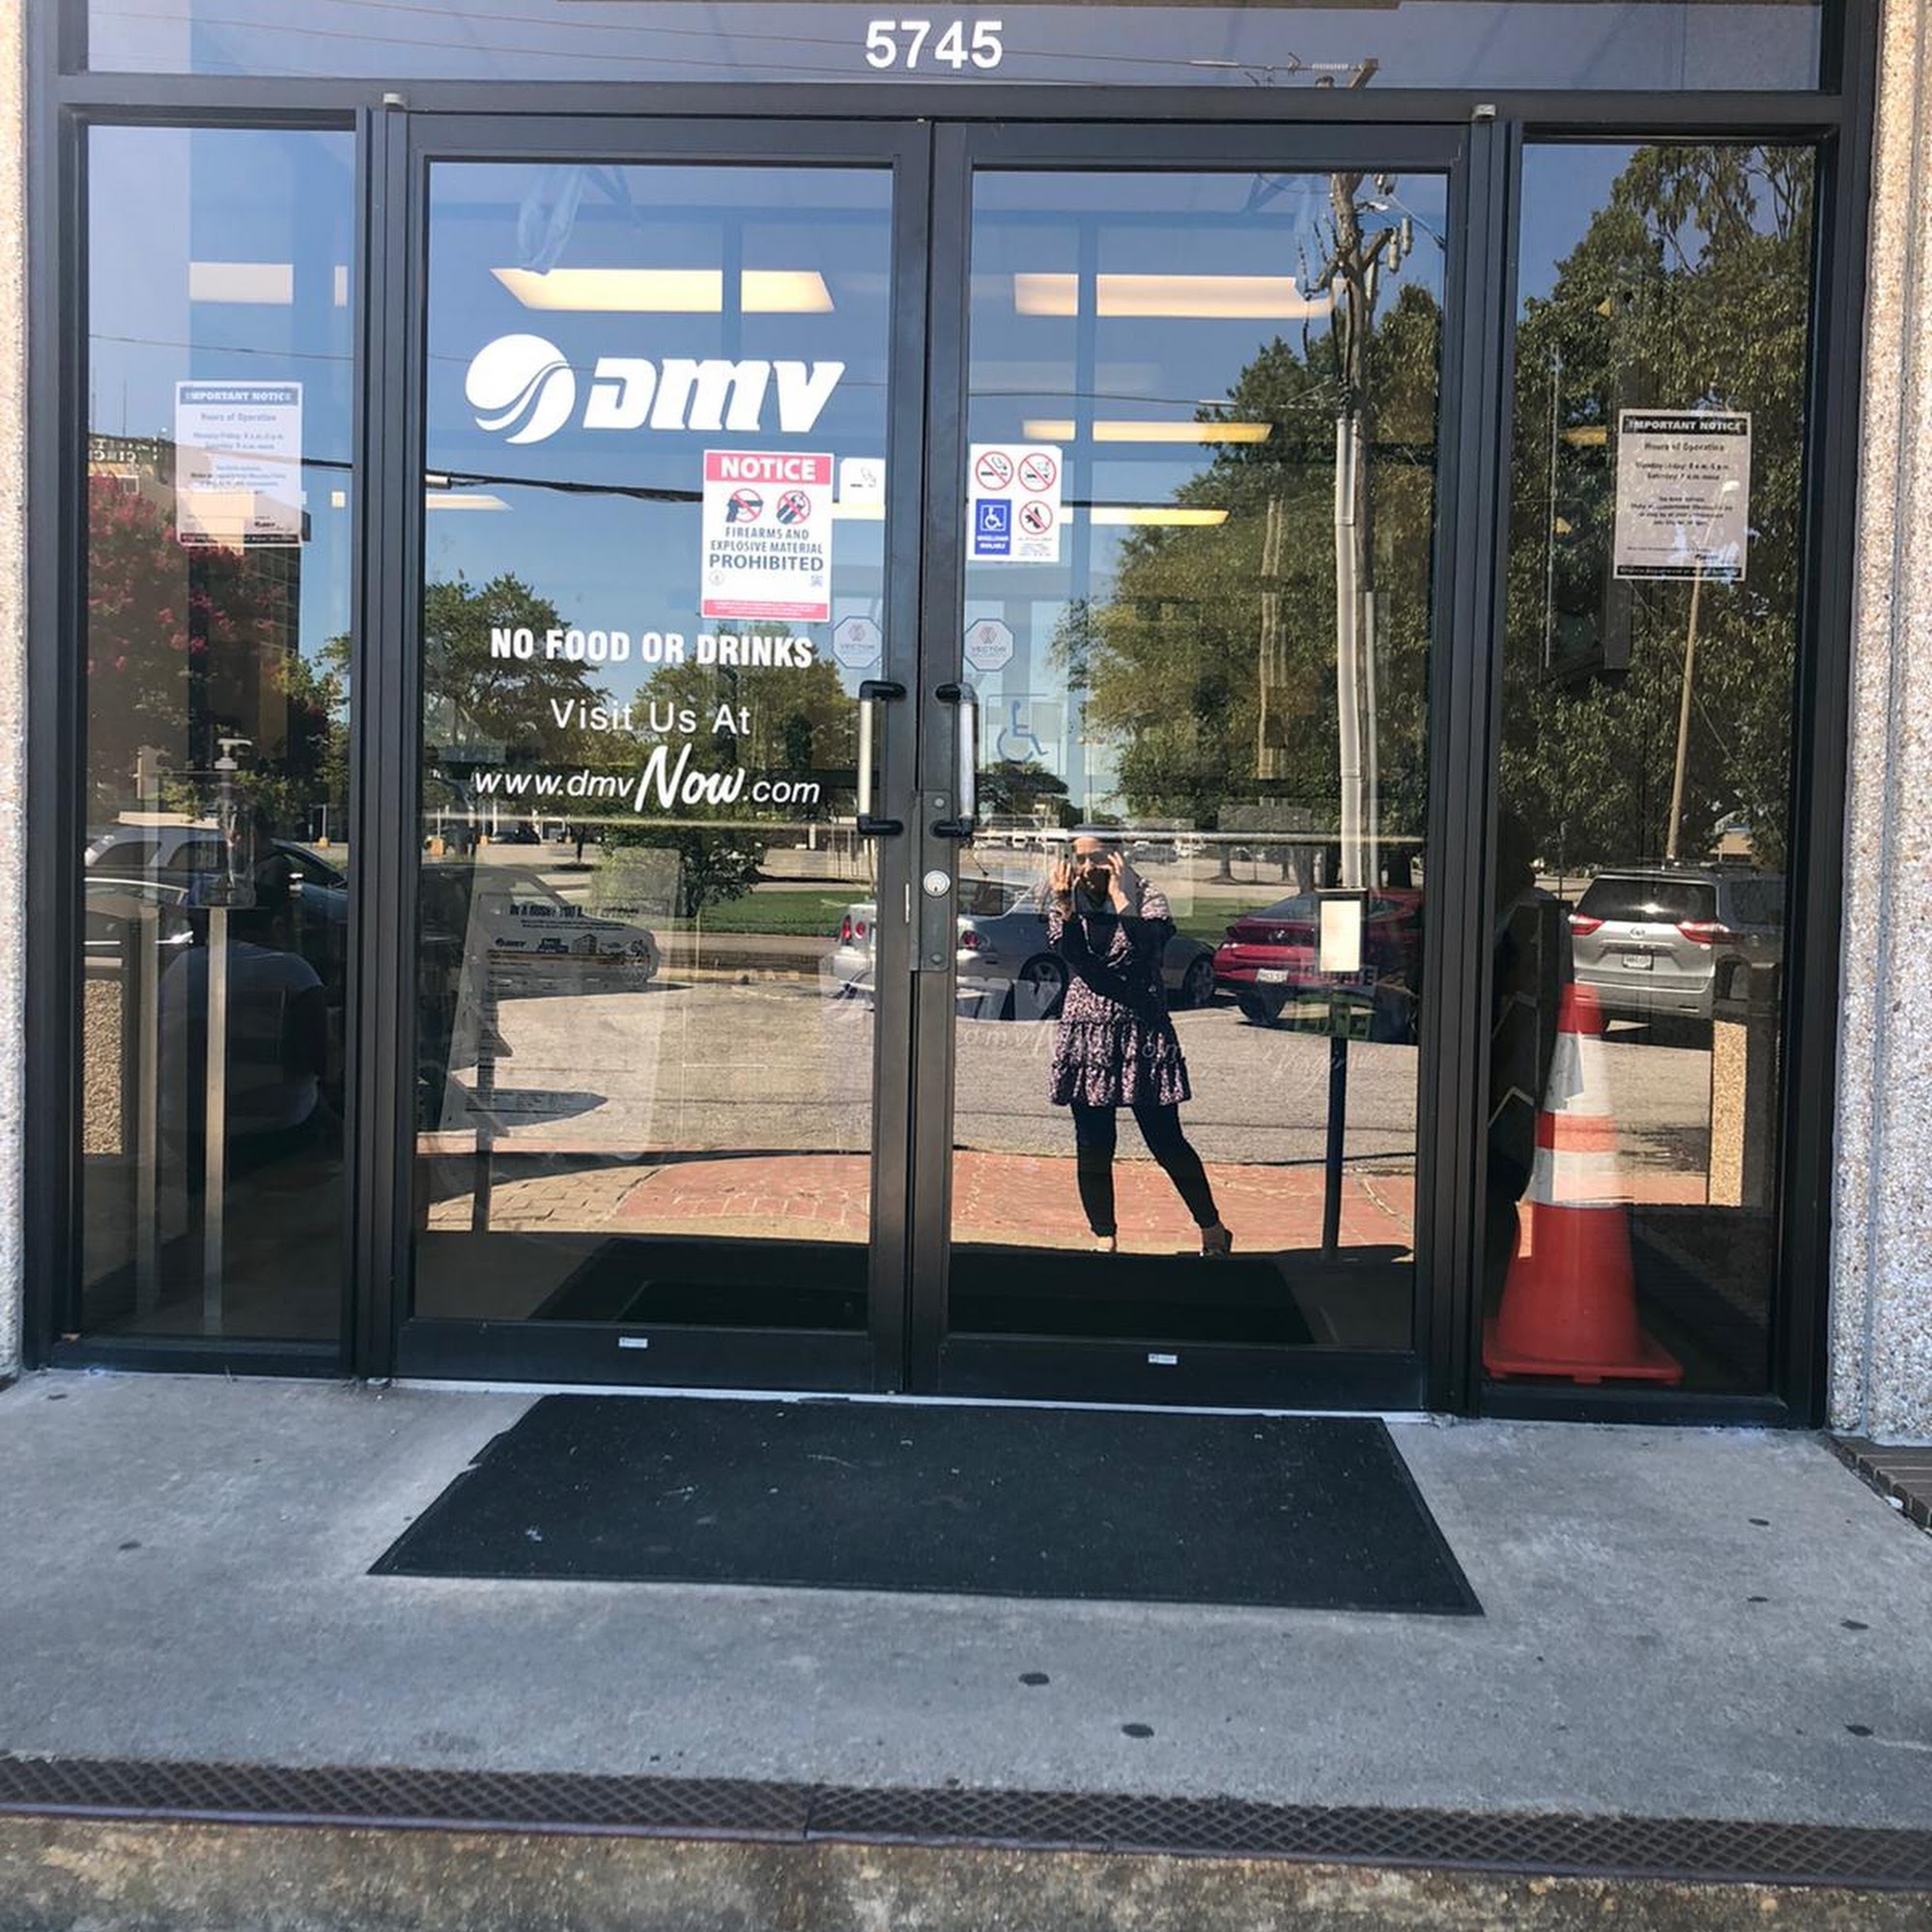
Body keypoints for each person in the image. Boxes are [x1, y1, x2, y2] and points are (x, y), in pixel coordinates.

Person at [1046, 832, 1232, 1257]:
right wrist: (1065, 906)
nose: (1087, 868)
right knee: (1093, 1142)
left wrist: (1121, 899)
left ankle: (1212, 1228)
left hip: (1141, 1032)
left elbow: (1145, 949)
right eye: (1080, 859)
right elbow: (1075, 957)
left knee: (1165, 1140)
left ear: (1118, 857)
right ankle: (1104, 1235)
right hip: (1088, 1033)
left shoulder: (1149, 897)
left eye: (1096, 858)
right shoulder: (1067, 899)